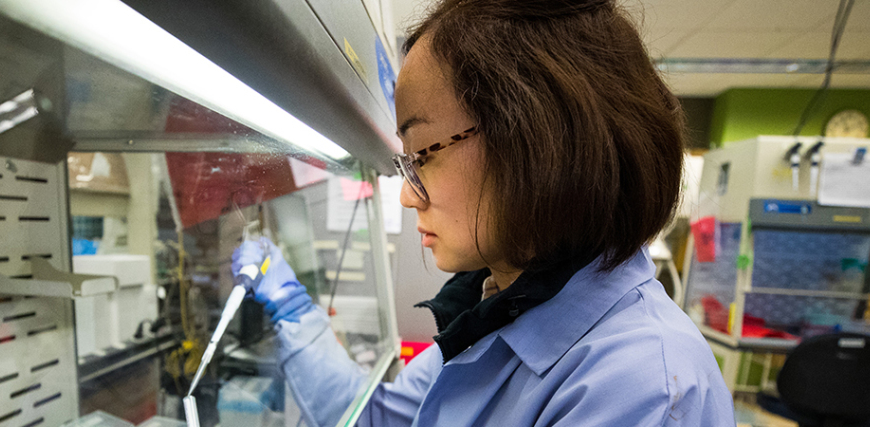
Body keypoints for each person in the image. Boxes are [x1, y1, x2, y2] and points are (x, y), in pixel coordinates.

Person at [230, 0, 734, 425]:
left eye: (422, 152)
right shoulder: (502, 310)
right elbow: (376, 419)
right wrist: (293, 308)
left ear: (541, 146)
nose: (408, 196)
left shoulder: (640, 387)